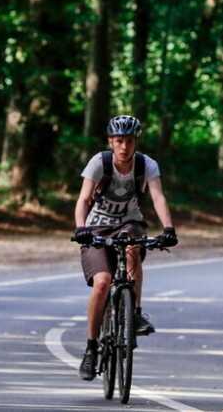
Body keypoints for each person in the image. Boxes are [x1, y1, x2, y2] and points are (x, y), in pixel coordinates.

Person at [72, 115, 177, 381]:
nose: (124, 146)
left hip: (129, 223)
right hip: (96, 228)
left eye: (129, 141)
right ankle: (91, 347)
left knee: (132, 249)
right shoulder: (99, 163)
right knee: (102, 283)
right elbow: (83, 199)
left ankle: (135, 314)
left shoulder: (146, 165)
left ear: (135, 142)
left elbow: (158, 197)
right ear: (110, 142)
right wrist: (81, 228)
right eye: (119, 141)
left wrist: (168, 229)